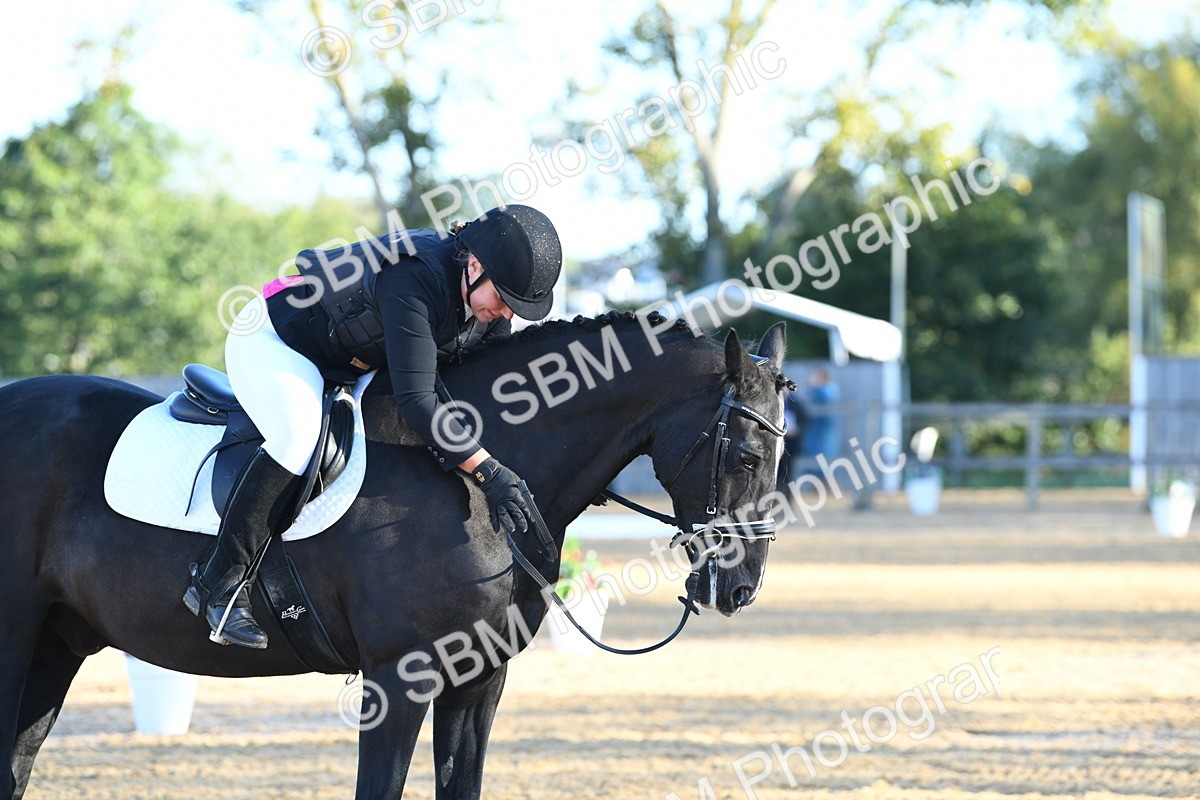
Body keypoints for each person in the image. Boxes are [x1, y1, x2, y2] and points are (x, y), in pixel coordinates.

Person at [182, 204, 563, 649]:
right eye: (504, 299)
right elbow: (419, 402)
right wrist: (488, 472)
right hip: (276, 337)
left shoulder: (483, 307)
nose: (506, 315)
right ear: (474, 265)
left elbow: (483, 391)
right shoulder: (415, 280)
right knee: (299, 436)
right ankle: (218, 581)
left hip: (347, 359)